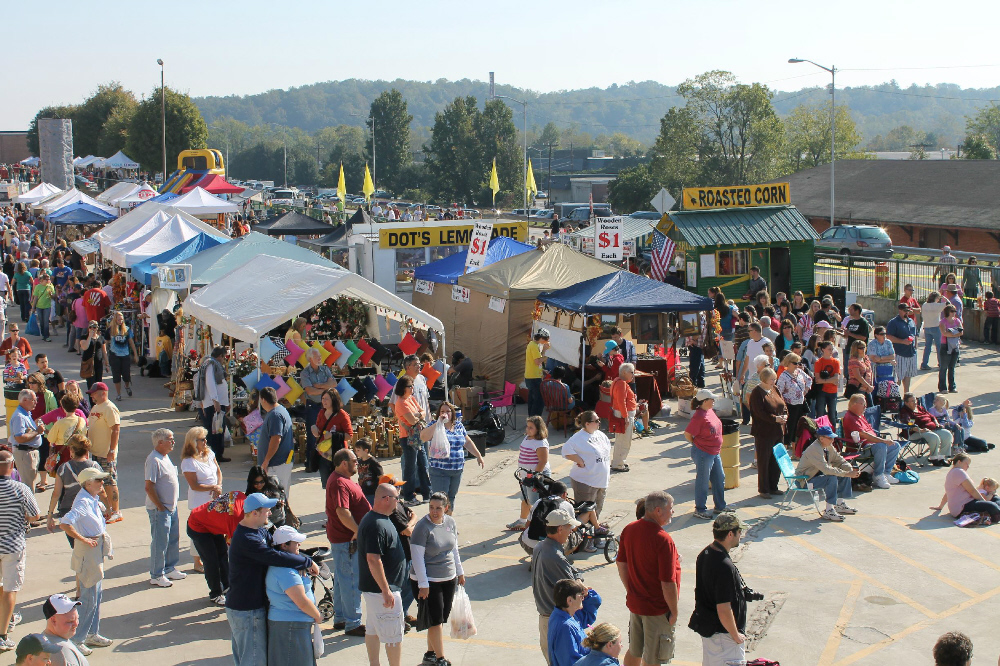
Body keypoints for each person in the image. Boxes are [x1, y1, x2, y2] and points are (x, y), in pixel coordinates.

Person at [226, 492, 319, 666]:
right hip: (246, 610)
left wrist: (303, 557)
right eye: (266, 510)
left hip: (248, 607)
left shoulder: (259, 530)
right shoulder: (247, 539)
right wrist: (306, 562)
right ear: (255, 513)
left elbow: (279, 550)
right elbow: (274, 557)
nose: (270, 513)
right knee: (253, 660)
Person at [615, 491, 681, 666]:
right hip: (657, 609)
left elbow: (621, 563)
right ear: (658, 511)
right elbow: (667, 583)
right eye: (671, 509)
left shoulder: (629, 529)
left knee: (635, 650)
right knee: (654, 658)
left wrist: (631, 590)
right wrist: (674, 611)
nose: (672, 512)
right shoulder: (663, 539)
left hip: (636, 604)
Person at [688, 513, 762, 666]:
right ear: (730, 534)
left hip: (711, 634)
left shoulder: (705, 553)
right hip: (724, 638)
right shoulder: (723, 566)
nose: (740, 535)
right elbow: (723, 608)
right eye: (739, 532)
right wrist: (736, 635)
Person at [58, 467, 113, 652]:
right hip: (88, 552)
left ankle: (91, 634)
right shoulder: (82, 501)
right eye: (98, 480)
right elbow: (65, 523)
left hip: (95, 550)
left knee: (96, 596)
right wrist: (83, 539)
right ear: (88, 483)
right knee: (89, 598)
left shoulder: (92, 498)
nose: (101, 483)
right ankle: (77, 639)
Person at [408, 492, 465, 666]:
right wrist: (423, 584)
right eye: (431, 507)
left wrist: (459, 571)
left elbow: (453, 549)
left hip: (448, 578)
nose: (434, 511)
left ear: (446, 508)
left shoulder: (450, 522)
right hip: (428, 581)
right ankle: (440, 659)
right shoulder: (422, 527)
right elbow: (417, 558)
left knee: (439, 619)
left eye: (438, 508)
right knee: (435, 621)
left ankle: (430, 654)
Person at [358, 483, 407, 666]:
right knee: (393, 634)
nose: (398, 502)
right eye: (396, 498)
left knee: (373, 629)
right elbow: (373, 559)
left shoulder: (377, 519)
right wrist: (386, 590)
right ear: (386, 499)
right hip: (382, 591)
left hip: (376, 590)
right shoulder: (376, 524)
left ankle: (374, 664)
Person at [326, 448, 371, 637]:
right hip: (347, 541)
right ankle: (353, 623)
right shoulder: (338, 483)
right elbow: (342, 512)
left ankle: (342, 617)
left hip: (344, 539)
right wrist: (358, 531)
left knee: (342, 580)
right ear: (343, 463)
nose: (357, 463)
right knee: (351, 580)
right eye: (354, 461)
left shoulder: (341, 480)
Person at [0, 450, 41, 652]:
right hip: (13, 547)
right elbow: (35, 515)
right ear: (12, 466)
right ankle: (2, 634)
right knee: (9, 589)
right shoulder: (21, 488)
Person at [532, 508, 584, 664]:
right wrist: (580, 581)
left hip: (547, 617)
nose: (571, 531)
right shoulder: (554, 556)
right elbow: (576, 587)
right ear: (560, 528)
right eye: (569, 527)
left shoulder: (540, 546)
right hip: (555, 619)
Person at [265, 525, 322, 666]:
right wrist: (317, 615)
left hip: (292, 624)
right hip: (291, 626)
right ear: (284, 546)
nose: (299, 545)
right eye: (296, 543)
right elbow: (302, 602)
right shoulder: (285, 572)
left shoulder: (288, 565)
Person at [419, 402, 484, 512]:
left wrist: (478, 455)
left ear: (452, 413)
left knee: (451, 499)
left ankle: (448, 525)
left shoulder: (458, 425)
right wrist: (438, 423)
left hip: (456, 470)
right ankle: (439, 524)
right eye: (442, 411)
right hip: (440, 470)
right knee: (440, 500)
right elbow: (423, 437)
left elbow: (467, 442)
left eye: (448, 411)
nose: (445, 414)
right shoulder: (434, 425)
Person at [187, 490, 245, 606]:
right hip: (198, 526)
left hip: (212, 523)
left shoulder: (242, 496)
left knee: (222, 555)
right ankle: (215, 594)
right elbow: (237, 551)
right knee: (211, 560)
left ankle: (227, 586)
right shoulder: (235, 519)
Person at [144, 428, 185, 588]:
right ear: (160, 442)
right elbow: (149, 486)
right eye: (170, 439)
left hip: (170, 507)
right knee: (160, 542)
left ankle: (169, 568)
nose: (173, 441)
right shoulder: (153, 460)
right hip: (160, 509)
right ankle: (156, 574)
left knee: (172, 539)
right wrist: (160, 507)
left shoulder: (165, 457)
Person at [795, 426, 860, 521]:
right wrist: (847, 474)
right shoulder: (815, 449)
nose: (833, 440)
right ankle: (829, 510)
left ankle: (839, 504)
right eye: (830, 438)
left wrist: (850, 469)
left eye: (833, 437)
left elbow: (839, 460)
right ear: (821, 438)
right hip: (805, 481)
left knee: (844, 472)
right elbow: (826, 470)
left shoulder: (828, 446)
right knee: (832, 477)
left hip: (817, 476)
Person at [180, 426, 222, 572]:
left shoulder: (209, 453)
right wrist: (213, 488)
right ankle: (197, 562)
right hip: (199, 501)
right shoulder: (188, 462)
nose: (205, 442)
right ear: (193, 442)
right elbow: (194, 485)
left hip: (214, 498)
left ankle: (212, 556)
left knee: (214, 529)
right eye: (202, 440)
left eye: (205, 439)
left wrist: (218, 486)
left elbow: (218, 470)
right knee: (198, 532)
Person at [684, 389, 728, 520]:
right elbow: (687, 434)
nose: (714, 401)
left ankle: (720, 506)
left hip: (714, 452)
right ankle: (700, 509)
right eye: (711, 399)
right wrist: (697, 444)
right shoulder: (699, 416)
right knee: (703, 481)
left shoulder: (709, 411)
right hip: (704, 453)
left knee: (719, 478)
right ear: (704, 401)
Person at [842, 394, 901, 490]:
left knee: (895, 445)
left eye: (865, 404)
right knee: (881, 446)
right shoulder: (850, 417)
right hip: (860, 449)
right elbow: (864, 435)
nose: (865, 407)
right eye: (863, 404)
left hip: (871, 446)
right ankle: (878, 475)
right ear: (854, 404)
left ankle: (886, 473)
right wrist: (882, 440)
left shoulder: (861, 416)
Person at [562, 411, 612, 519]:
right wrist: (579, 460)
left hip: (601, 481)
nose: (599, 422)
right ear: (587, 424)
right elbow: (565, 450)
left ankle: (594, 529)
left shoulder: (600, 435)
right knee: (585, 513)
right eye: (596, 421)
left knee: (597, 510)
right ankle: (581, 533)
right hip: (586, 482)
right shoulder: (578, 437)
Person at [85, 383, 121, 523]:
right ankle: (109, 509)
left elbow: (116, 430)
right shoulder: (96, 407)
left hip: (106, 453)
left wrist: (111, 450)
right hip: (96, 452)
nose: (92, 396)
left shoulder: (110, 408)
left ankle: (116, 511)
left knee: (110, 481)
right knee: (100, 482)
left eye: (94, 393)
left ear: (102, 393)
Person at [749, 368, 787, 499]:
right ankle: (764, 489)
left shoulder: (775, 389)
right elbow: (759, 412)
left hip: (777, 430)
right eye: (772, 379)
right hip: (764, 432)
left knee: (776, 459)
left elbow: (783, 405)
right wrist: (774, 418)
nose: (774, 381)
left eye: (774, 379)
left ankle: (773, 486)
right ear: (764, 379)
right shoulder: (757, 393)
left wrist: (785, 415)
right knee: (764, 460)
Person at [508, 416, 551, 530]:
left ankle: (538, 525)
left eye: (531, 427)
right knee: (525, 499)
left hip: (535, 477)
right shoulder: (527, 438)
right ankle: (522, 521)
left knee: (535, 502)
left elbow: (543, 461)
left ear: (539, 429)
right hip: (525, 476)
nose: (528, 429)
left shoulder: (540, 442)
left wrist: (534, 477)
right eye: (527, 427)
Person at [931, 453, 1000, 523]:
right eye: (967, 464)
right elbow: (972, 491)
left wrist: (940, 506)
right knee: (992, 506)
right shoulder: (958, 471)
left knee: (995, 498)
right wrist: (984, 502)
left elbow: (948, 493)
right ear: (959, 462)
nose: (968, 466)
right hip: (962, 507)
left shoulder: (953, 472)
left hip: (965, 504)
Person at [547, 578, 601, 666]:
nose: (583, 598)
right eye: (581, 595)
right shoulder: (565, 627)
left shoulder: (567, 614)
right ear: (569, 600)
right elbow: (571, 662)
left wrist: (588, 594)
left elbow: (588, 614)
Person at [299, 347, 337, 473]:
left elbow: (334, 383)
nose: (320, 358)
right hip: (313, 406)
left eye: (320, 356)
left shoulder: (325, 369)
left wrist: (320, 386)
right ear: (310, 359)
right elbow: (310, 391)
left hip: (326, 406)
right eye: (317, 356)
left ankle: (329, 462)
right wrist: (326, 389)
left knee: (329, 432)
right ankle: (311, 464)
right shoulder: (305, 373)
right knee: (312, 434)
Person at [313, 388, 353, 489]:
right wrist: (314, 430)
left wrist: (333, 435)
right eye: (322, 398)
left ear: (334, 400)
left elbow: (349, 435)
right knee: (327, 486)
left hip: (339, 455)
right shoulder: (321, 413)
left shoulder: (342, 414)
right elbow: (318, 432)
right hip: (323, 455)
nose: (324, 401)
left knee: (340, 485)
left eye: (327, 399)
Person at [257, 387, 294, 496]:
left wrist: (266, 460)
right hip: (280, 463)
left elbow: (276, 439)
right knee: (280, 497)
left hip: (276, 465)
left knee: (275, 498)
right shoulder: (280, 410)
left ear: (263, 400)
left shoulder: (275, 415)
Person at [899, 393, 954, 465]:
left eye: (915, 400)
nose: (915, 403)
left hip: (931, 429)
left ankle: (941, 458)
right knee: (934, 437)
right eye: (912, 401)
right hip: (916, 433)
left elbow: (931, 416)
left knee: (947, 434)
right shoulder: (906, 412)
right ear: (906, 403)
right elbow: (909, 425)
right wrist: (921, 430)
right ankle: (933, 458)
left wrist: (937, 423)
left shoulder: (919, 408)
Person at [9, 389, 45, 498]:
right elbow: (19, 438)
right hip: (25, 453)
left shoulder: (26, 413)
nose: (36, 402)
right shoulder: (19, 416)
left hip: (29, 452)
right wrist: (37, 431)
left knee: (30, 483)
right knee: (27, 487)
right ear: (25, 400)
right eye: (34, 400)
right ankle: (29, 513)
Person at [198, 346, 231, 463]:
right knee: (215, 430)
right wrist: (215, 400)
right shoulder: (211, 364)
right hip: (213, 403)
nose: (224, 360)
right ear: (220, 356)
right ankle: (215, 454)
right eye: (224, 357)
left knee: (218, 429)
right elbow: (210, 383)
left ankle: (217, 454)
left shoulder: (212, 364)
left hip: (217, 402)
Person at [41, 593, 91, 665]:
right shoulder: (61, 651)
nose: (76, 624)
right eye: (70, 621)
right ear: (53, 621)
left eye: (77, 619)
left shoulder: (44, 640)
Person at [776, 353, 812, 450]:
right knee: (790, 427)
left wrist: (806, 390)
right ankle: (786, 447)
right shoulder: (783, 376)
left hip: (800, 403)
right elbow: (779, 391)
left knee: (799, 427)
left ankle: (796, 449)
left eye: (798, 363)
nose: (797, 365)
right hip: (790, 405)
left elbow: (809, 379)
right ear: (788, 363)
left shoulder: (799, 372)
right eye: (795, 363)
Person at [885, 302, 918, 393]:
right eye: (905, 311)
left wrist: (915, 345)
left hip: (911, 353)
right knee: (898, 377)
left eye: (908, 311)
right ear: (900, 310)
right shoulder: (893, 322)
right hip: (900, 353)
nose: (907, 313)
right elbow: (889, 336)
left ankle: (906, 394)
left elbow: (915, 334)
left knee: (908, 376)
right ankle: (894, 395)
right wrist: (902, 341)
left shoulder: (911, 321)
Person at [812, 341, 840, 428]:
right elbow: (817, 379)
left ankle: (833, 436)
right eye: (829, 349)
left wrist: (823, 380)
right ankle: (819, 433)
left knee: (832, 415)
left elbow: (836, 378)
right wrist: (831, 381)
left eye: (832, 349)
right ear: (823, 350)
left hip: (833, 391)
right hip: (822, 391)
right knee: (820, 414)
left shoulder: (836, 362)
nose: (831, 351)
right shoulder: (819, 362)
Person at [525, 329, 551, 418]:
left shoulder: (533, 345)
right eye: (546, 339)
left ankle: (531, 420)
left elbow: (536, 361)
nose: (547, 342)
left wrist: (544, 350)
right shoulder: (533, 346)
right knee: (539, 401)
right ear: (542, 338)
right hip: (534, 377)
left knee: (533, 400)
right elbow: (537, 361)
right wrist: (548, 355)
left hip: (532, 375)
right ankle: (535, 421)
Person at [939, 303, 962, 393]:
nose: (954, 313)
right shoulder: (943, 322)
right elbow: (944, 333)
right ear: (947, 312)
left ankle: (952, 387)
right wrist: (955, 333)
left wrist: (951, 333)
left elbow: (961, 332)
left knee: (952, 367)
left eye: (955, 311)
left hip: (955, 345)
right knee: (943, 367)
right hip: (945, 346)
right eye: (952, 311)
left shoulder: (957, 321)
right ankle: (942, 387)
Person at [845, 340, 875, 407]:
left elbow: (870, 372)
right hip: (858, 388)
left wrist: (870, 385)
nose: (863, 349)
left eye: (864, 347)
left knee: (871, 408)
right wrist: (868, 386)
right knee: (860, 408)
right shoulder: (853, 360)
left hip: (867, 388)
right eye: (861, 348)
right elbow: (857, 376)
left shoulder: (866, 358)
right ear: (856, 349)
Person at [79, 323, 107, 390]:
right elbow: (84, 347)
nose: (92, 329)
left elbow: (104, 351)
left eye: (94, 327)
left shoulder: (101, 338)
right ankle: (92, 400)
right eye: (90, 327)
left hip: (98, 363)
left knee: (99, 384)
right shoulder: (84, 337)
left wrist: (107, 363)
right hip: (89, 364)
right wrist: (89, 337)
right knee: (91, 385)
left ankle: (98, 399)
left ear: (97, 328)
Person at [30, 273, 55, 342]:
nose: (47, 281)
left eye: (48, 279)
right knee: (41, 322)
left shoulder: (50, 286)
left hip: (47, 306)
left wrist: (51, 295)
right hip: (39, 306)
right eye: (46, 279)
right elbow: (35, 298)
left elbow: (54, 296)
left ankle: (47, 336)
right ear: (42, 280)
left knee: (46, 321)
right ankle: (43, 335)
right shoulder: (38, 287)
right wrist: (33, 307)